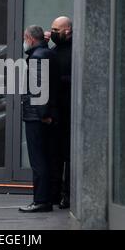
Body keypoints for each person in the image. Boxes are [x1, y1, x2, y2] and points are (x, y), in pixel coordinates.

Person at [19, 25, 58, 213]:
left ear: (30, 38)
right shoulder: (47, 53)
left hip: (37, 117)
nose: (25, 42)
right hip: (44, 115)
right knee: (46, 158)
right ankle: (46, 198)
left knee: (38, 160)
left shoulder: (37, 57)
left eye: (25, 39)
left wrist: (43, 115)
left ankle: (41, 201)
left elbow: (38, 89)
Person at [48, 16, 73, 209]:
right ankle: (55, 194)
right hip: (57, 111)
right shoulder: (54, 50)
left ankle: (68, 195)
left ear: (68, 30)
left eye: (56, 29)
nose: (53, 32)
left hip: (71, 111)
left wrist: (59, 80)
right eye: (52, 29)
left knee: (68, 156)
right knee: (55, 155)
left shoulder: (74, 50)